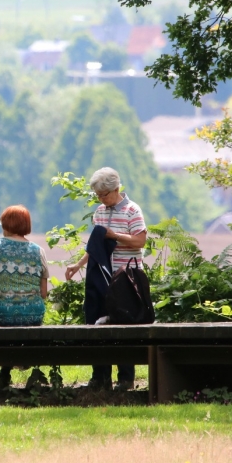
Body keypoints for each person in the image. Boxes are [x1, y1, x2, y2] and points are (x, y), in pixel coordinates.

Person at [65, 167, 147, 392]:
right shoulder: (100, 212)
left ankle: (125, 379)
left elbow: (139, 241)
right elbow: (95, 248)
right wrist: (78, 265)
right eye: (99, 196)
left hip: (127, 279)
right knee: (97, 325)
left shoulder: (132, 210)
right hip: (103, 278)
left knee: (124, 328)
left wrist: (114, 236)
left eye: (105, 195)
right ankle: (100, 377)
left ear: (116, 189)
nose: (102, 199)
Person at [0, 205, 49, 390]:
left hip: (2, 313)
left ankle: (4, 374)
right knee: (27, 321)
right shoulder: (38, 250)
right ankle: (35, 373)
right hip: (33, 313)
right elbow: (44, 293)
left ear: (6, 224)